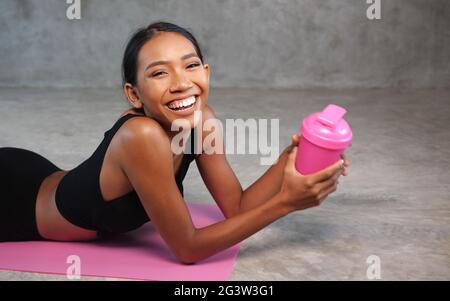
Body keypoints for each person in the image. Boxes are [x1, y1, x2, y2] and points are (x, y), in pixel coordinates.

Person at [0, 22, 349, 264]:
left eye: (191, 65)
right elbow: (187, 249)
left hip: (36, 171)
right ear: (133, 94)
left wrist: (293, 155)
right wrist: (286, 203)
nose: (182, 83)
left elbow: (238, 207)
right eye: (159, 72)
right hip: (11, 200)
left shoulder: (201, 121)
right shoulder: (142, 136)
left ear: (206, 73)